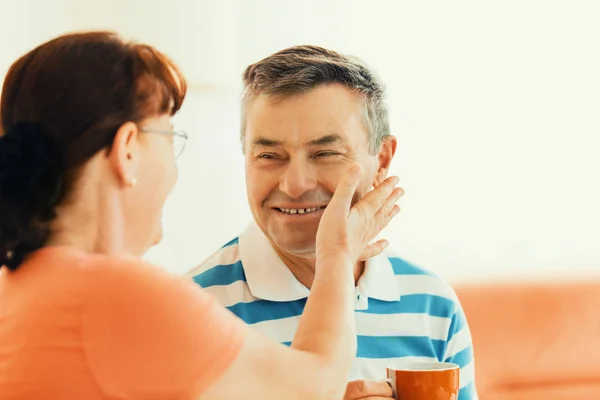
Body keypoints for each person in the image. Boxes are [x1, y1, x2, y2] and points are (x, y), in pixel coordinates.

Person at [0, 32, 403, 399]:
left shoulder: (18, 285)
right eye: (169, 135)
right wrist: (336, 252)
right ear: (127, 150)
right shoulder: (120, 295)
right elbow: (315, 385)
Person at [187, 45, 478, 400]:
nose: (294, 185)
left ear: (382, 159)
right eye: (268, 155)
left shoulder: (433, 304)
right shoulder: (194, 309)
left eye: (325, 153)